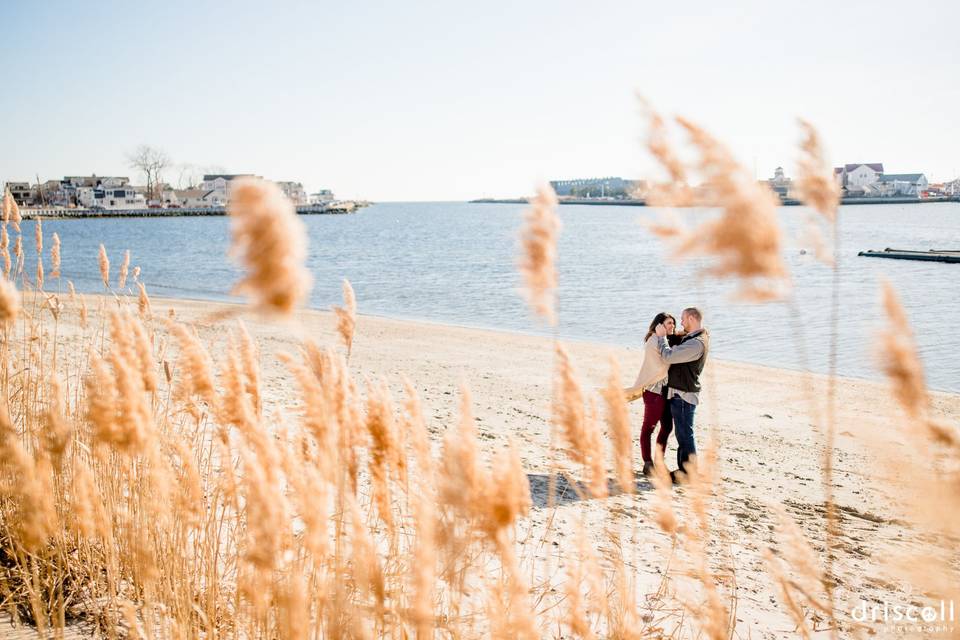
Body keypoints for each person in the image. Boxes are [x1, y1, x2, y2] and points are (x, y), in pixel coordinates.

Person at [654, 307, 708, 481]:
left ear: (692, 318)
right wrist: (668, 332)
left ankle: (688, 473)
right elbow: (678, 339)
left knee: (685, 434)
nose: (681, 322)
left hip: (684, 395)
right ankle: (683, 470)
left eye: (683, 319)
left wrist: (662, 337)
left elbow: (668, 357)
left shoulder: (696, 343)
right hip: (680, 392)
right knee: (682, 433)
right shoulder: (691, 337)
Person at [624, 312, 676, 477]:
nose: (672, 326)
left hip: (665, 391)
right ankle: (648, 463)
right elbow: (664, 363)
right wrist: (664, 338)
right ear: (659, 325)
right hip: (653, 391)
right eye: (669, 323)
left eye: (673, 323)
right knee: (648, 428)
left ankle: (659, 462)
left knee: (667, 427)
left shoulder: (663, 339)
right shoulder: (654, 341)